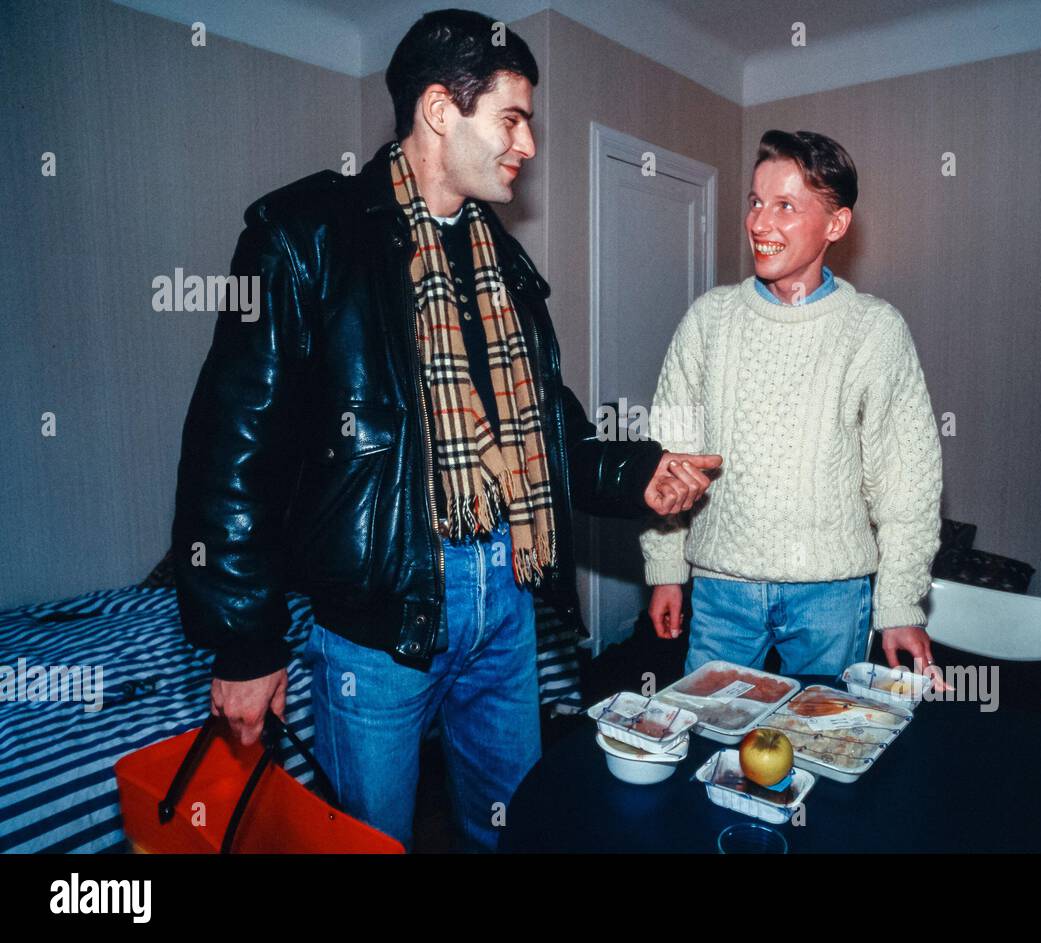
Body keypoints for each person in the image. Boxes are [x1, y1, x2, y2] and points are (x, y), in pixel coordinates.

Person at [172, 9, 721, 853]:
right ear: (439, 109)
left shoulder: (503, 264)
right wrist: (244, 641)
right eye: (512, 117)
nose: (527, 145)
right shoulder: (307, 238)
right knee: (372, 842)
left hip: (506, 600)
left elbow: (551, 433)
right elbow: (232, 446)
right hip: (378, 619)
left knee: (515, 824)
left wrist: (641, 473)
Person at [641, 129, 944, 682]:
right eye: (756, 202)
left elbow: (907, 482)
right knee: (712, 742)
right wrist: (665, 567)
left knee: (823, 745)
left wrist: (900, 603)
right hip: (720, 588)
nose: (760, 223)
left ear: (836, 224)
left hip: (831, 596)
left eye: (784, 205)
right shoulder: (710, 320)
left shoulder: (874, 330)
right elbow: (668, 457)